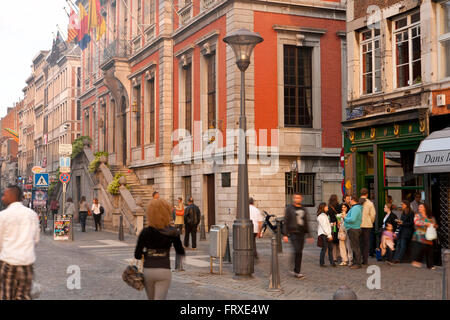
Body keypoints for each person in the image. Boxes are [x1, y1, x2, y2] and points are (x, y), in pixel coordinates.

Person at [134, 198, 185, 300]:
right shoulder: (172, 231)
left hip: (149, 270)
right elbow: (180, 251)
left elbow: (137, 255)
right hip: (164, 270)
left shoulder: (145, 232)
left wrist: (147, 252)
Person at [0, 185, 40, 300]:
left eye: (5, 195)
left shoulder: (3, 215)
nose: (3, 198)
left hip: (8, 263)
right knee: (24, 296)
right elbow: (36, 240)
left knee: (5, 296)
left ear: (12, 196)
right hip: (26, 264)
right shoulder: (32, 214)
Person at [282, 193, 314, 279]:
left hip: (301, 233)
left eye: (299, 198)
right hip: (293, 232)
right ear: (293, 198)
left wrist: (309, 235)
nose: (297, 199)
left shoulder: (303, 209)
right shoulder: (289, 208)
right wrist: (285, 234)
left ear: (301, 199)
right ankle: (294, 268)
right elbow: (286, 222)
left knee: (299, 251)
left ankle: (297, 271)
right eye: (295, 198)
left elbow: (306, 222)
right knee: (297, 250)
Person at [411, 203, 438, 270]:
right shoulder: (417, 215)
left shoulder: (430, 217)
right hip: (419, 236)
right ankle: (417, 261)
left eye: (421, 207)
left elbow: (435, 224)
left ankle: (430, 265)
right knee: (421, 248)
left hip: (428, 235)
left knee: (430, 250)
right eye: (419, 207)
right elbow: (416, 222)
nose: (419, 208)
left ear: (425, 208)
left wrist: (434, 225)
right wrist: (426, 223)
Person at [344, 195, 363, 269]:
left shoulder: (355, 208)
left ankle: (358, 263)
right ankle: (356, 262)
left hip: (353, 229)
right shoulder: (356, 208)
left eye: (350, 200)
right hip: (354, 229)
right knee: (354, 246)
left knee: (355, 247)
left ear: (353, 200)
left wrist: (345, 217)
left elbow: (352, 219)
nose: (349, 201)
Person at [359, 188, 376, 265]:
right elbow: (373, 215)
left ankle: (358, 258)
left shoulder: (358, 202)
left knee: (359, 243)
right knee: (366, 243)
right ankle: (365, 260)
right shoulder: (370, 203)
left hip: (358, 225)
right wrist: (370, 221)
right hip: (367, 225)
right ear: (367, 194)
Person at [317, 203, 335, 267]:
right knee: (324, 249)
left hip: (326, 234)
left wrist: (332, 224)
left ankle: (332, 262)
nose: (327, 207)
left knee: (330, 248)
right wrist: (329, 235)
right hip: (324, 234)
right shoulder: (321, 216)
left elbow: (326, 225)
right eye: (326, 206)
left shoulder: (324, 215)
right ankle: (322, 263)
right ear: (323, 207)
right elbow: (324, 226)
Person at [327, 194, 340, 264]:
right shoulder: (338, 206)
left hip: (332, 225)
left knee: (333, 241)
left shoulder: (329, 207)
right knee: (338, 240)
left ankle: (334, 257)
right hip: (338, 224)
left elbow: (327, 216)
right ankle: (338, 255)